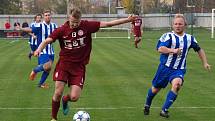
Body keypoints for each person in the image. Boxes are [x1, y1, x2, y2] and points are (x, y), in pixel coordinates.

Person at [34, 7, 137, 121]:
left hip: (79, 67)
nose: (74, 25)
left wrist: (127, 20)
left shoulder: (87, 26)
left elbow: (108, 24)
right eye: (72, 22)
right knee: (57, 92)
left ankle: (65, 99)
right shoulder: (62, 30)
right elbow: (46, 40)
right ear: (69, 18)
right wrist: (39, 49)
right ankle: (53, 118)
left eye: (76, 23)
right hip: (64, 64)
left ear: (80, 20)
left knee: (74, 97)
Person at [143, 14, 211, 118]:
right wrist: (173, 51)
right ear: (172, 25)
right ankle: (147, 104)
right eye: (175, 24)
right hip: (165, 68)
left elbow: (199, 49)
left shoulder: (190, 38)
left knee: (177, 85)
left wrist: (205, 62)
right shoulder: (168, 36)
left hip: (179, 69)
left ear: (185, 25)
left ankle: (164, 110)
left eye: (180, 24)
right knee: (155, 89)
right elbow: (160, 49)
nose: (177, 26)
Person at [16, 10, 57, 88]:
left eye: (49, 15)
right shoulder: (40, 25)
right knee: (47, 66)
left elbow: (59, 32)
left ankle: (40, 84)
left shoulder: (54, 25)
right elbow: (30, 29)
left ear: (51, 16)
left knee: (48, 69)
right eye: (46, 15)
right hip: (42, 49)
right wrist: (21, 28)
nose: (47, 16)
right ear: (43, 17)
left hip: (51, 50)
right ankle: (35, 70)